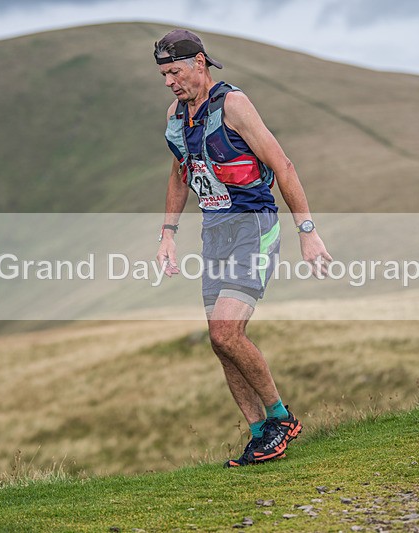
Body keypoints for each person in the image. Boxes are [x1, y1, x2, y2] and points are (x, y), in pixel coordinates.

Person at [153, 29, 332, 467]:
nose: (169, 81)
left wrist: (307, 231)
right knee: (222, 342)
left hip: (253, 227)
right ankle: (258, 434)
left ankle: (281, 418)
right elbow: (181, 174)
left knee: (225, 332)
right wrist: (168, 235)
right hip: (214, 233)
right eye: (162, 74)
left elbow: (282, 165)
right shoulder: (177, 114)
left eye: (174, 71)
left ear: (199, 63)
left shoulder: (233, 105)